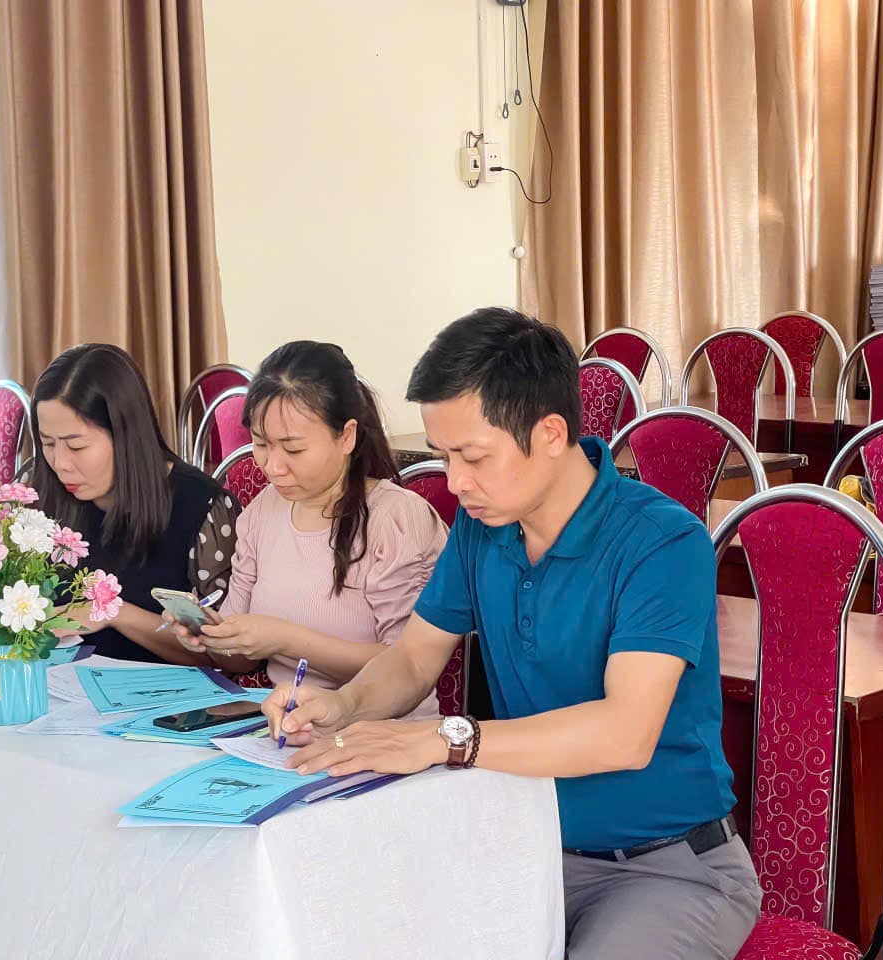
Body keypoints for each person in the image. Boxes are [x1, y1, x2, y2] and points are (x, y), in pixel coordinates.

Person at [263, 309, 762, 959]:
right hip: (522, 844)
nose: (455, 482)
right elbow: (413, 659)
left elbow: (625, 732)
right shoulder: (484, 527)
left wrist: (444, 739)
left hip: (665, 870)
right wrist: (343, 705)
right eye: (444, 456)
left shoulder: (662, 542)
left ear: (550, 433)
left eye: (473, 457)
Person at [172, 341, 447, 708]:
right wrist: (212, 638)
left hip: (382, 729)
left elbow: (406, 667)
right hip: (284, 723)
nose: (273, 467)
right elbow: (239, 663)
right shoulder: (261, 512)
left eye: (294, 449)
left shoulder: (396, 519)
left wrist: (285, 639)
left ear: (346, 436)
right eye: (261, 444)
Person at [0, 343, 237, 664]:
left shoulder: (202, 508)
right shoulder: (39, 493)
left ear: (125, 435)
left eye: (76, 446)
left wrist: (115, 612)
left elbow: (227, 657)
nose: (60, 463)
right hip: (57, 686)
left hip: (164, 693)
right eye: (48, 443)